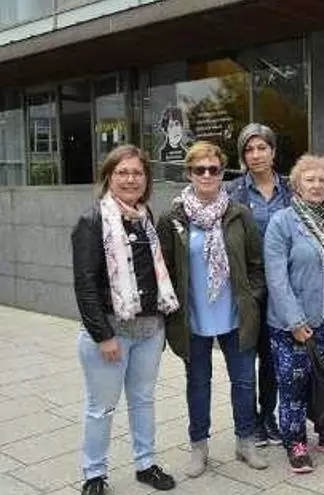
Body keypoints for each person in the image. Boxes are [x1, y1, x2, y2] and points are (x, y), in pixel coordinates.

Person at [156, 141, 267, 478]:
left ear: (222, 173)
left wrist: (252, 297)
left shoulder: (238, 213)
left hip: (235, 314)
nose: (206, 175)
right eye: (199, 169)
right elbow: (165, 270)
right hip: (193, 317)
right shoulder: (172, 218)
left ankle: (245, 441)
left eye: (213, 169)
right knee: (198, 383)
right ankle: (199, 446)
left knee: (244, 382)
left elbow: (255, 263)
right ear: (189, 173)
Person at [72, 145, 178, 495]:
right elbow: (85, 284)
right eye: (122, 172)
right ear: (108, 177)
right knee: (101, 408)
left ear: (146, 179)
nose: (131, 179)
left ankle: (145, 464)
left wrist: (161, 325)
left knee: (143, 400)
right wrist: (103, 336)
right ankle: (94, 474)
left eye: (137, 173)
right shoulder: (92, 221)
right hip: (110, 332)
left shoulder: (147, 219)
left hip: (149, 331)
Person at [264, 153, 324, 474]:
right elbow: (276, 277)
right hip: (296, 323)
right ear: (297, 184)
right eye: (309, 179)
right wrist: (294, 320)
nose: (316, 185)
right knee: (293, 384)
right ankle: (295, 442)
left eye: (322, 180)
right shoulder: (282, 222)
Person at [224, 123, 292, 447]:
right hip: (246, 287)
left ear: (273, 152)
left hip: (283, 287)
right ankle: (248, 422)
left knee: (272, 357)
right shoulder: (231, 192)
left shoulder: (292, 189)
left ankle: (268, 418)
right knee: (244, 357)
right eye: (249, 149)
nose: (255, 155)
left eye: (261, 147)